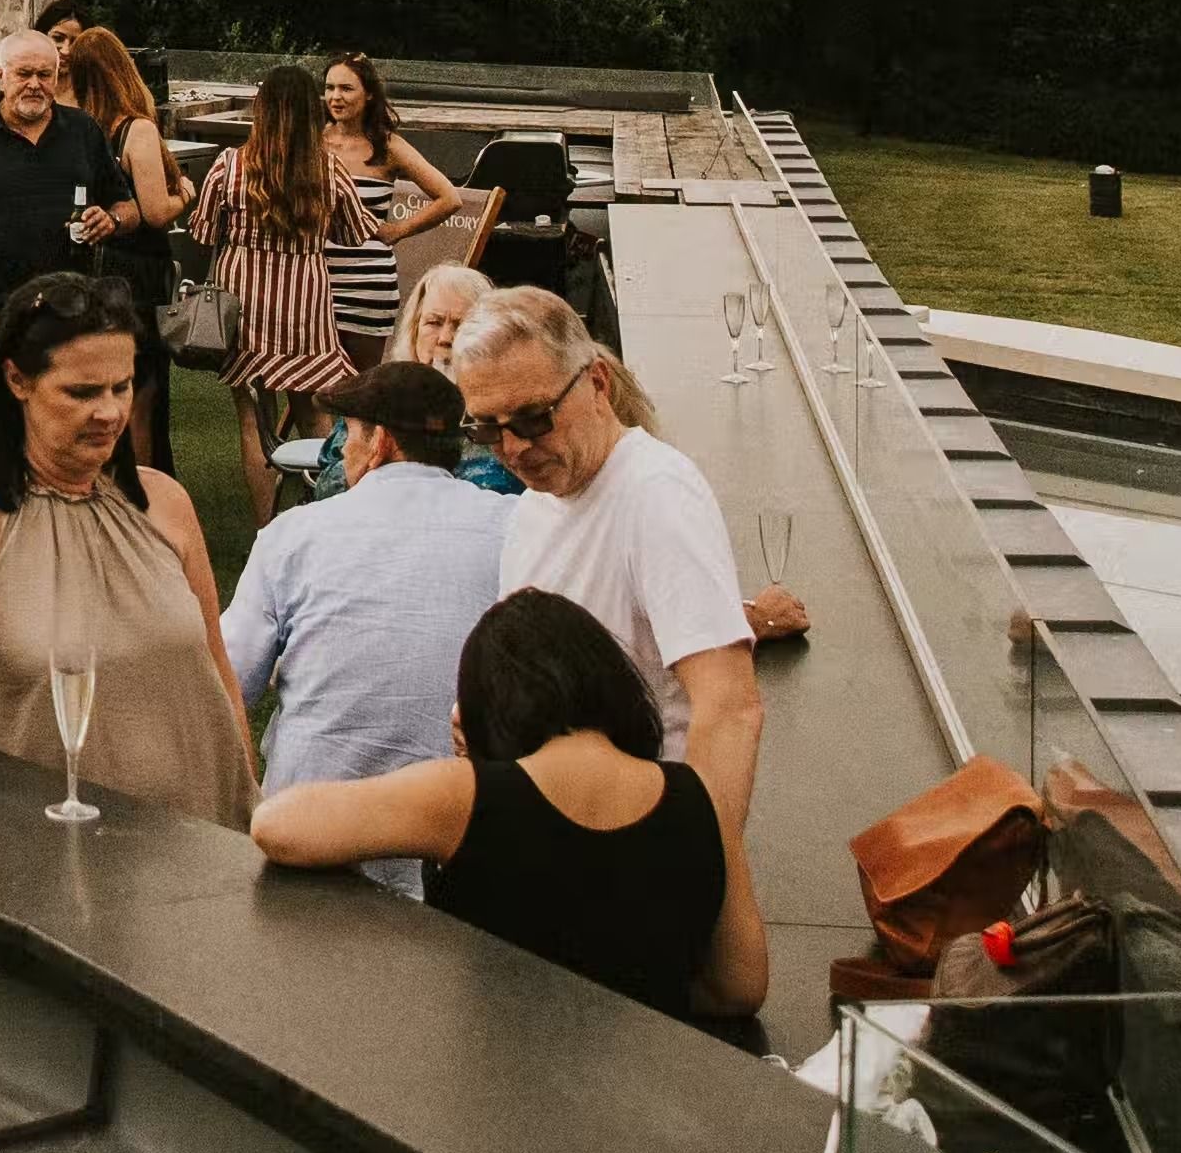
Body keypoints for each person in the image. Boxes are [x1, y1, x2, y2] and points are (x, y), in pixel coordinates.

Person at [0, 269, 251, 823]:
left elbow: (217, 672)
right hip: (36, 851)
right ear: (17, 380)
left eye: (121, 387)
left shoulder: (166, 503)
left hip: (199, 836)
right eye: (81, 392)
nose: (109, 412)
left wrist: (249, 800)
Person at [256, 590, 767, 1028]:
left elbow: (280, 825)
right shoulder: (700, 795)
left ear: (489, 704)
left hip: (498, 1090)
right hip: (652, 1104)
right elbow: (741, 986)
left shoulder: (467, 796)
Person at [454, 285, 769, 834]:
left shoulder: (657, 496)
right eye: (486, 428)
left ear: (596, 383)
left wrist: (703, 870)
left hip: (630, 840)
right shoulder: (535, 505)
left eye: (533, 418)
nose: (513, 449)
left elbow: (730, 708)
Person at [219, 362, 513, 894]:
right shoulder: (514, 526)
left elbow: (224, 686)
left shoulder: (294, 534)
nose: (342, 449)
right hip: (460, 842)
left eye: (347, 433)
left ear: (379, 443)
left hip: (311, 839)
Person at [0, 32, 134, 448]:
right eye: (23, 73)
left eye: (44, 74)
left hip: (73, 319)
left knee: (72, 435)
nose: (34, 84)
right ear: (0, 76)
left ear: (57, 77)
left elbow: (129, 208)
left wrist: (110, 219)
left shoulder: (83, 131)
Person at [191, 61, 375, 529]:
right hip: (305, 304)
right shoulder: (327, 169)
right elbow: (357, 233)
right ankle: (335, 514)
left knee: (253, 418)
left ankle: (265, 530)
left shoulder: (230, 166)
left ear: (262, 110)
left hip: (243, 299)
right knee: (315, 412)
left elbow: (202, 231)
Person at [56, 25, 187, 472]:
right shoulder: (136, 130)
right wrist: (185, 192)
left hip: (92, 269)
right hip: (138, 274)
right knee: (143, 396)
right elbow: (154, 211)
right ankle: (146, 491)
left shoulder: (75, 130)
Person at [318, 51, 468, 360]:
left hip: (367, 285)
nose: (336, 97)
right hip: (314, 282)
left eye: (346, 88)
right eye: (330, 88)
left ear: (369, 93)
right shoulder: (312, 142)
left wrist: (398, 230)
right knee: (313, 388)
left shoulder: (387, 146)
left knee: (363, 388)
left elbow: (449, 198)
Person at [393, 264, 522, 492]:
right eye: (433, 322)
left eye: (461, 325)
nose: (445, 338)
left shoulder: (510, 409)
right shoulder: (381, 395)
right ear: (413, 330)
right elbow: (333, 480)